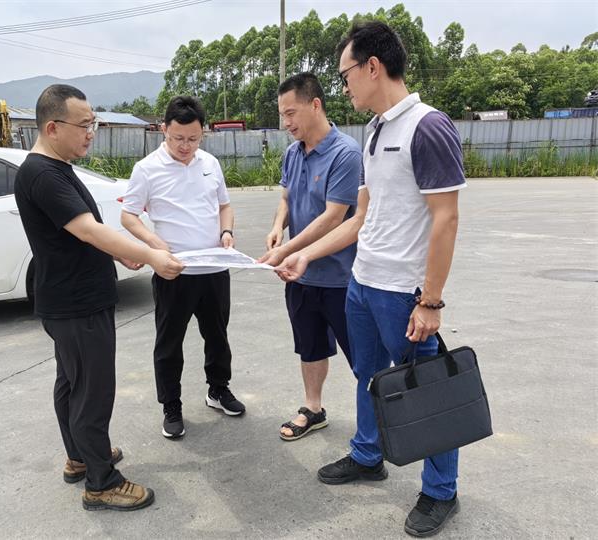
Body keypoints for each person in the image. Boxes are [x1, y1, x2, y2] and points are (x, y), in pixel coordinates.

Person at [277, 22, 466, 537]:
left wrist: (431, 301)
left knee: (424, 388)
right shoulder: (376, 130)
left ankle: (440, 490)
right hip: (361, 283)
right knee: (368, 375)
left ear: (373, 67)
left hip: (403, 293)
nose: (344, 86)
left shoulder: (428, 126)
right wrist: (304, 256)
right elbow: (359, 219)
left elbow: (446, 219)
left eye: (346, 75)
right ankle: (367, 455)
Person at [14, 84, 184, 512]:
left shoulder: (56, 167)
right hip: (77, 303)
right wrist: (151, 254)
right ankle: (102, 482)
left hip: (70, 299)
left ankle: (80, 456)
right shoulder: (44, 174)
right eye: (84, 125)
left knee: (72, 383)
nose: (91, 132)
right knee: (92, 390)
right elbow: (88, 229)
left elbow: (81, 233)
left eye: (94, 123)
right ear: (53, 128)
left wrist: (120, 253)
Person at [121, 96, 245, 440]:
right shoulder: (147, 169)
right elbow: (129, 216)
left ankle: (218, 389)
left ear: (202, 133)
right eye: (178, 138)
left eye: (193, 139)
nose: (185, 146)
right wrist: (154, 243)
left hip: (214, 268)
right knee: (169, 343)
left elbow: (224, 206)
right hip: (172, 272)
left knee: (217, 336)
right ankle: (171, 406)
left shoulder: (210, 163)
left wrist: (226, 232)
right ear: (164, 130)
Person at [257, 73, 361, 441]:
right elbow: (286, 198)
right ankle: (313, 409)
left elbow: (334, 217)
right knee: (310, 346)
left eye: (291, 113)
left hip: (341, 278)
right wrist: (277, 227)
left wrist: (285, 250)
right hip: (300, 277)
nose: (286, 123)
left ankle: (377, 425)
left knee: (363, 357)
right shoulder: (292, 152)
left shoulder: (346, 153)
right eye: (282, 115)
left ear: (315, 105)